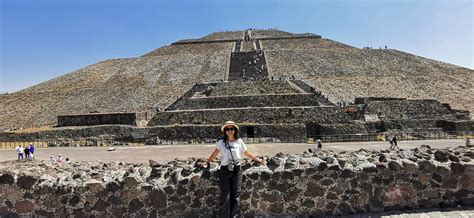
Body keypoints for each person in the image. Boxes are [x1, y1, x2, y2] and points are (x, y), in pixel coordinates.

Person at [202, 121, 265, 217]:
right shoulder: (221, 142)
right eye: (227, 129)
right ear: (225, 131)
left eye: (231, 129)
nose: (229, 131)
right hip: (224, 170)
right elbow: (215, 152)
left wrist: (258, 160)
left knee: (236, 195)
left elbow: (246, 153)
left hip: (236, 169)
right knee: (225, 196)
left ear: (235, 130)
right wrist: (207, 162)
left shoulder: (239, 141)